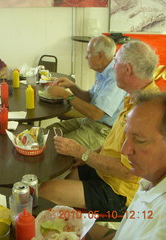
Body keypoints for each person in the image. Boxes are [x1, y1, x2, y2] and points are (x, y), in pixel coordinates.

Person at [39, 40, 160, 214]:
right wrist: (91, 153)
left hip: (119, 190)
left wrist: (83, 152)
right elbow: (115, 142)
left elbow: (128, 171)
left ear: (127, 69)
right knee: (70, 172)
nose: (113, 66)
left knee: (45, 190)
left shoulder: (147, 112)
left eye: (116, 62)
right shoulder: (134, 97)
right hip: (105, 173)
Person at [87, 92, 166, 240]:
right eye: (126, 136)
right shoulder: (149, 179)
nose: (125, 150)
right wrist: (79, 226)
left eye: (139, 140)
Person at [47, 35, 127, 150]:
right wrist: (71, 85)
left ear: (100, 56)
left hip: (103, 131)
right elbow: (90, 98)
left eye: (89, 53)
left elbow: (96, 114)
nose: (86, 57)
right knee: (46, 133)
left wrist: (66, 95)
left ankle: (68, 167)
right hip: (90, 122)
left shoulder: (115, 77)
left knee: (55, 147)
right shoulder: (102, 71)